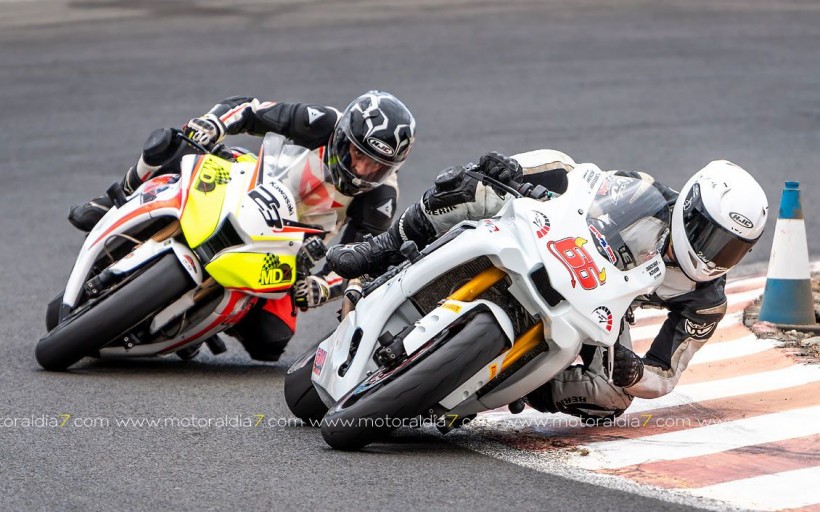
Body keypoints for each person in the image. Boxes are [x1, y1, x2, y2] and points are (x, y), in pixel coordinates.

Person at [325, 151, 768, 420]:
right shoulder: (645, 192)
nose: (715, 255)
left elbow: (666, 375)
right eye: (711, 236)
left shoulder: (706, 301)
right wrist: (516, 168)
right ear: (688, 209)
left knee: (610, 400)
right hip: (560, 248)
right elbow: (575, 175)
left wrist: (635, 373)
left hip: (606, 309)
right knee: (471, 185)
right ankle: (383, 247)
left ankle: (525, 383)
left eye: (731, 248)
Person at [68, 91, 416, 361]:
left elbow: (361, 259)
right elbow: (250, 109)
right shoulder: (322, 121)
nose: (362, 170)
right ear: (344, 137)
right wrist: (214, 123)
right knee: (173, 143)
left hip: (286, 247)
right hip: (248, 186)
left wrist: (322, 286)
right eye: (359, 155)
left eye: (377, 166)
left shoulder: (381, 197)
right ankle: (114, 197)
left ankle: (204, 319)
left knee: (271, 340)